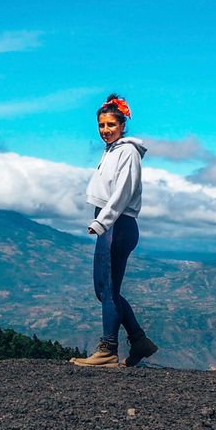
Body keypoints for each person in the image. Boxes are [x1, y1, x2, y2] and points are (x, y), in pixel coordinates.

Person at [71, 94, 158, 368]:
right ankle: (139, 339)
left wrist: (101, 222)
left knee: (107, 289)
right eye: (101, 125)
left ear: (122, 124)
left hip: (117, 226)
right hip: (111, 225)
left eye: (110, 124)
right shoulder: (112, 150)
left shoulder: (128, 152)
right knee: (104, 289)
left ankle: (108, 349)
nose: (105, 130)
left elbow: (122, 194)